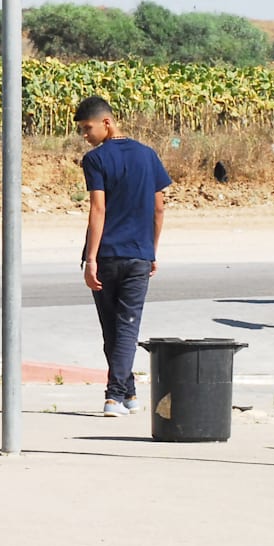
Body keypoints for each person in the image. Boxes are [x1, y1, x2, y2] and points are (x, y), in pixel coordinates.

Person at [75, 95, 172, 417]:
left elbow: (97, 209)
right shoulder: (148, 155)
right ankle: (128, 392)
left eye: (87, 128)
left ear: (107, 122)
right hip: (139, 254)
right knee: (122, 328)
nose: (84, 136)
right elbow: (159, 208)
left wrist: (90, 259)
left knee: (116, 330)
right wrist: (152, 250)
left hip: (106, 256)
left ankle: (114, 395)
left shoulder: (96, 159)